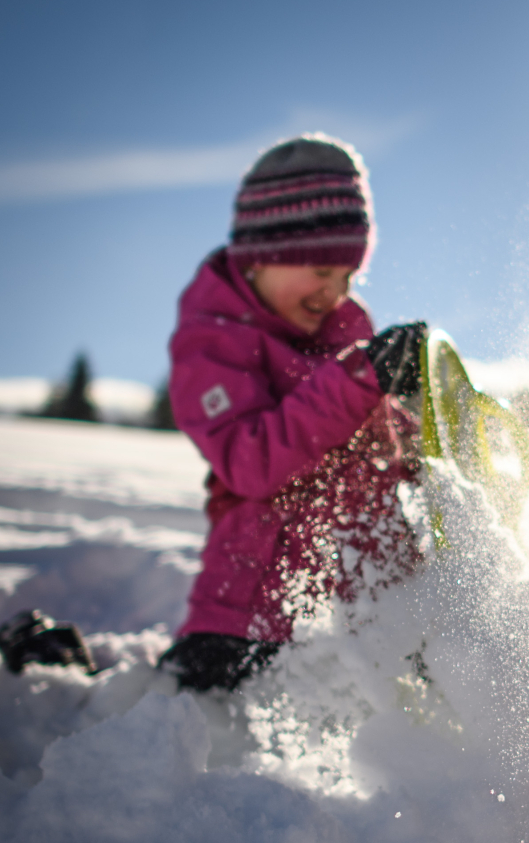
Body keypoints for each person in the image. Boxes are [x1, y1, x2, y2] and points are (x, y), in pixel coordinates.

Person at [158, 136, 428, 693]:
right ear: (263, 254)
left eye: (349, 276)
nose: (333, 293)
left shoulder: (344, 332)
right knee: (210, 743)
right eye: (321, 269)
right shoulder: (214, 342)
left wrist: (416, 431)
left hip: (367, 617)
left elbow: (367, 445)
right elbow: (251, 461)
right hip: (251, 619)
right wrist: (360, 380)